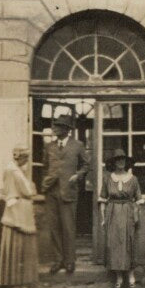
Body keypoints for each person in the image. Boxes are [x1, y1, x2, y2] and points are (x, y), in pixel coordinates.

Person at [42, 114, 90, 275]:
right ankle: (58, 260)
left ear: (67, 129)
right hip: (51, 192)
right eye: (55, 125)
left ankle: (70, 261)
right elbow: (45, 167)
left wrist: (78, 175)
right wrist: (46, 183)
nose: (54, 129)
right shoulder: (49, 146)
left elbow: (86, 165)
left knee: (68, 228)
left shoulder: (78, 145)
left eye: (58, 126)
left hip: (69, 190)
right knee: (54, 227)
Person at [99, 148, 144, 288]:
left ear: (126, 162)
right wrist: (103, 218)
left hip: (128, 213)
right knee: (115, 244)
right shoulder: (108, 179)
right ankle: (118, 277)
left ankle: (131, 277)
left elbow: (138, 200)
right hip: (112, 213)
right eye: (118, 160)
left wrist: (136, 215)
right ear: (113, 163)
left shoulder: (133, 179)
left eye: (123, 159)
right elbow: (103, 199)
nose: (121, 162)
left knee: (129, 243)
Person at [0, 145, 38, 288]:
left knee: (26, 250)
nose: (27, 161)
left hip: (25, 213)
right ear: (19, 157)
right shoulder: (11, 170)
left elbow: (31, 190)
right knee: (16, 249)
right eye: (26, 157)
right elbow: (9, 195)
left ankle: (24, 284)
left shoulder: (21, 171)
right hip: (16, 214)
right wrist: (15, 218)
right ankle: (15, 284)